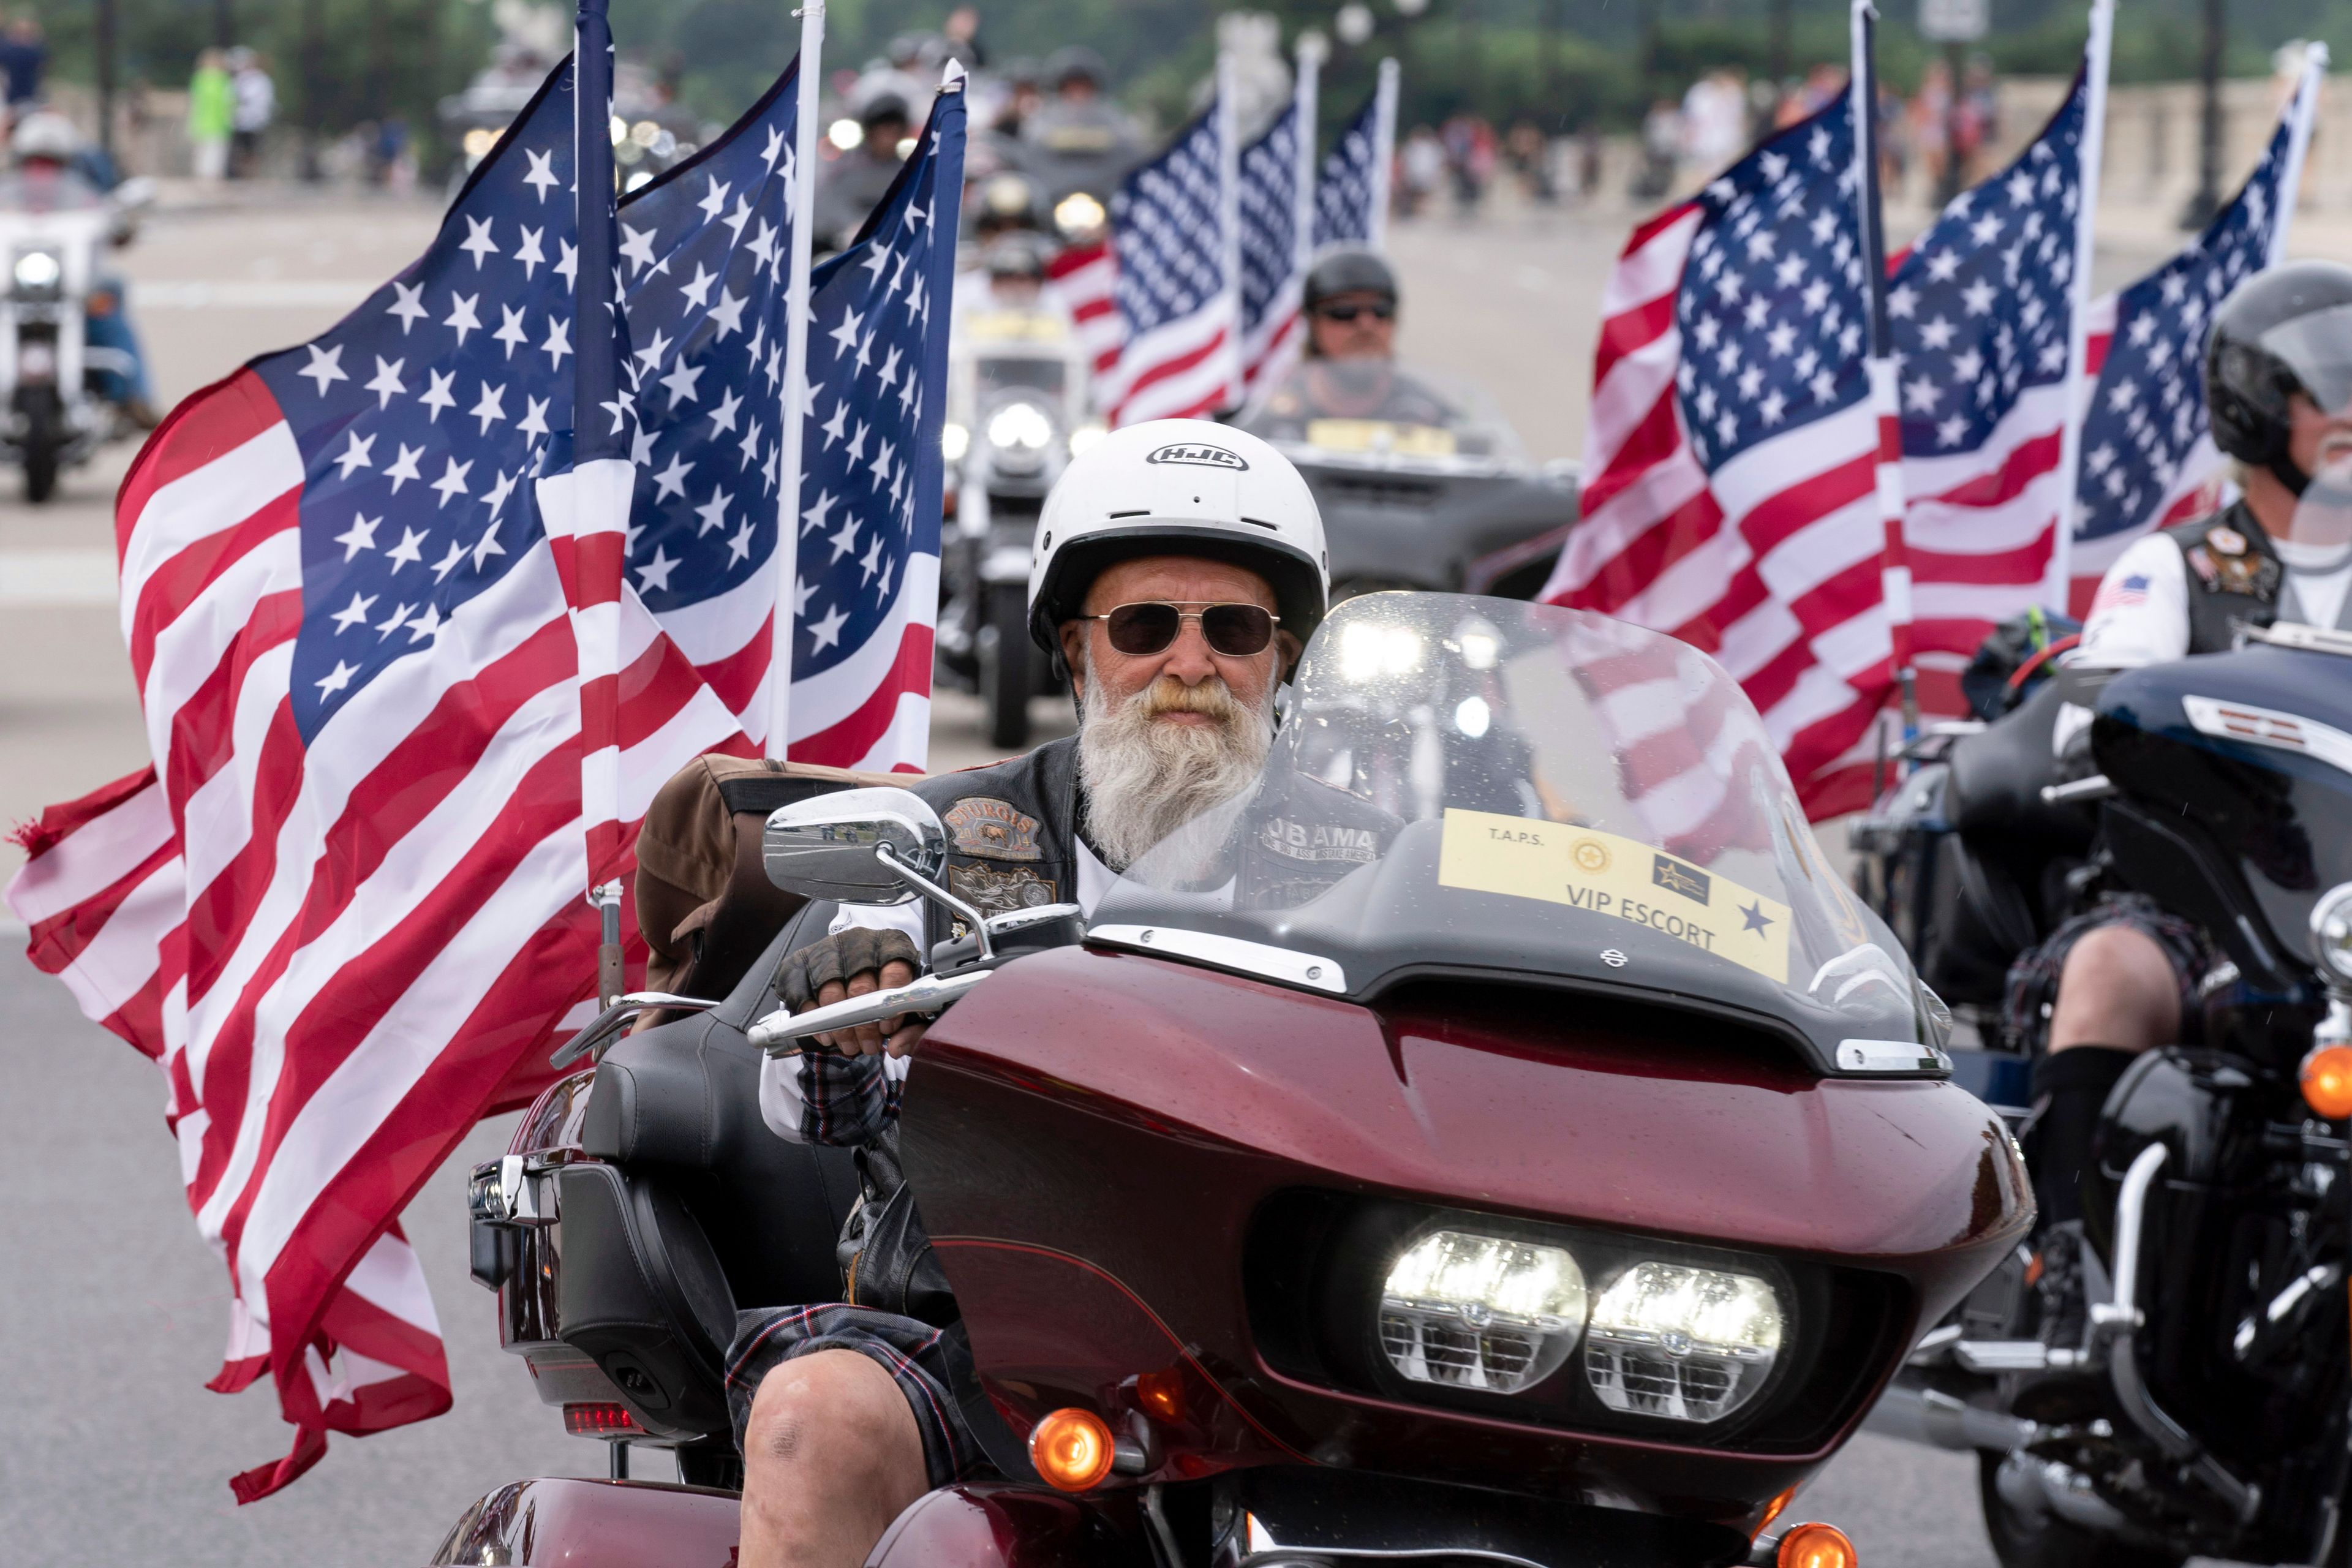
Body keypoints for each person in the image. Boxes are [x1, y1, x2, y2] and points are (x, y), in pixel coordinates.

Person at [729, 421, 1393, 1568]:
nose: (1191, 665)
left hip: (1302, 1342)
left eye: (1232, 628)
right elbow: (798, 1106)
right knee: (812, 1419)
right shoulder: (939, 842)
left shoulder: (1378, 865)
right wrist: (845, 1001)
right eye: (1145, 627)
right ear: (1076, 650)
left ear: (1280, 657)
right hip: (987, 1328)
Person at [2016, 260, 2352, 1323]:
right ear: (2257, 410)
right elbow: (2090, 713)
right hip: (2208, 910)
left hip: (2345, 924)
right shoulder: (2178, 569)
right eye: (2327, 386)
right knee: (2112, 972)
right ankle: (2070, 1263)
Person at [0, 111, 156, 426]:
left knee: (110, 297)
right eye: (35, 161)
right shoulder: (7, 192)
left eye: (50, 162)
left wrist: (120, 223)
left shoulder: (85, 197)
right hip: (12, 285)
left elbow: (115, 226)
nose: (42, 171)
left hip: (72, 285)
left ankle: (133, 397)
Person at [187, 48, 233, 186]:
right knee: (214, 152)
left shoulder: (200, 78)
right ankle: (210, 178)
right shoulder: (223, 80)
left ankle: (204, 178)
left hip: (204, 121)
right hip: (216, 121)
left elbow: (194, 101)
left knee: (205, 151)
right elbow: (229, 101)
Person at [228, 47, 274, 178]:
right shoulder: (239, 79)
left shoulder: (262, 80)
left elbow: (261, 101)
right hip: (239, 121)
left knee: (251, 151)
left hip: (254, 121)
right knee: (239, 151)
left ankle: (250, 176)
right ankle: (241, 175)